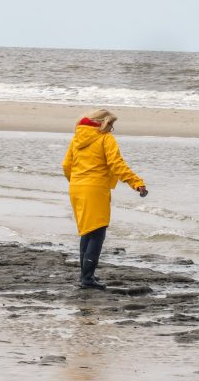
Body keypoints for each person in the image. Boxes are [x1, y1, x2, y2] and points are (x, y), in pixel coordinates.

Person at [62, 109, 148, 290]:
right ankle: (87, 278)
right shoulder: (105, 139)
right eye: (111, 125)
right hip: (95, 188)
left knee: (87, 231)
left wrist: (77, 181)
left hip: (76, 188)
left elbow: (66, 165)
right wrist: (136, 182)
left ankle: (85, 275)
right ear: (103, 122)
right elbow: (116, 164)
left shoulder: (77, 138)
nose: (112, 129)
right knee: (98, 233)